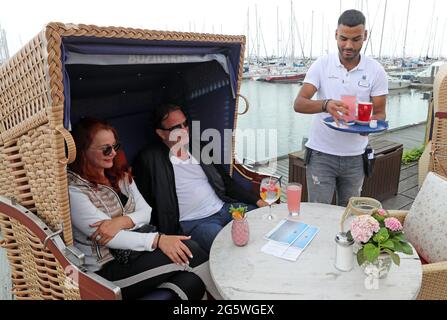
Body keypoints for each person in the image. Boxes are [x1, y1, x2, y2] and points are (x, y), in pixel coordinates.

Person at [68, 118, 219, 300]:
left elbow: (146, 212)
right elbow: (110, 238)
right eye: (105, 149)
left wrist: (121, 221)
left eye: (115, 147)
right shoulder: (73, 190)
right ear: (83, 151)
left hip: (136, 254)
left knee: (190, 282)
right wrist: (158, 240)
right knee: (189, 250)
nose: (113, 154)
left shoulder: (120, 176)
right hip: (106, 271)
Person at [133, 104, 268, 253]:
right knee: (227, 249)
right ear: (161, 133)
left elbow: (227, 183)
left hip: (225, 208)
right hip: (196, 223)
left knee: (261, 222)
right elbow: (144, 202)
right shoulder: (149, 160)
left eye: (185, 124)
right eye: (177, 127)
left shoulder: (200, 147)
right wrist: (159, 237)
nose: (185, 130)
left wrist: (258, 201)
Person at [293, 9, 388, 207]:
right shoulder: (322, 64)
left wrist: (365, 128)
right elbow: (299, 103)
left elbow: (380, 113)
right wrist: (325, 104)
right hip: (320, 154)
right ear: (336, 34)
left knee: (350, 213)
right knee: (318, 212)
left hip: (355, 157)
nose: (348, 45)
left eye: (356, 39)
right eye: (343, 38)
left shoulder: (376, 71)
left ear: (365, 36)